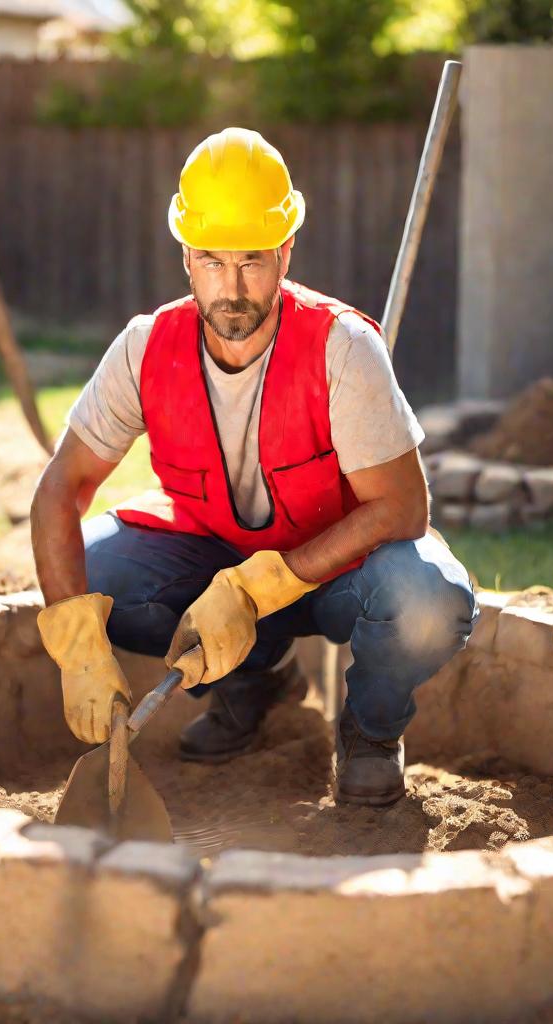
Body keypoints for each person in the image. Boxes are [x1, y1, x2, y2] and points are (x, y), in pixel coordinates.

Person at [32, 126, 478, 806]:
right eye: (212, 261)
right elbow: (59, 493)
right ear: (185, 254)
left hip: (339, 573)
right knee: (95, 573)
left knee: (426, 602)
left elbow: (402, 508)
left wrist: (260, 588)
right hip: (214, 557)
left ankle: (370, 730)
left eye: (253, 260)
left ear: (286, 249)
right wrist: (77, 644)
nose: (232, 287)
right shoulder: (145, 347)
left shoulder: (342, 348)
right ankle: (257, 678)